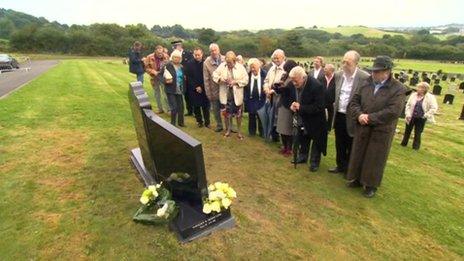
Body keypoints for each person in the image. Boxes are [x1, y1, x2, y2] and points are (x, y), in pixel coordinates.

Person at [347, 55, 407, 198]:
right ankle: (357, 178)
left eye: (377, 71)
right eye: (373, 71)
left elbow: (393, 111)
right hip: (362, 126)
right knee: (359, 153)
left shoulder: (398, 88)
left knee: (375, 157)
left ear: (387, 72)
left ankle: (371, 185)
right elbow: (354, 102)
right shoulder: (366, 83)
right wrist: (359, 115)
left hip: (381, 130)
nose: (373, 74)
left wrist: (369, 118)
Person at [329, 50, 370, 175]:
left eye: (348, 62)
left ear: (356, 63)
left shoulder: (364, 77)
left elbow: (366, 98)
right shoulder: (338, 75)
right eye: (343, 61)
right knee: (339, 142)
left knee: (351, 144)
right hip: (339, 115)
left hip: (353, 116)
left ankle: (350, 169)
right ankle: (340, 165)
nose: (344, 64)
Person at [280, 66, 327, 172]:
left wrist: (301, 107)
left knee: (315, 140)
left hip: (316, 119)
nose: (294, 83)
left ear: (303, 77)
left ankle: (314, 162)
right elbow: (285, 96)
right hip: (302, 117)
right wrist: (290, 105)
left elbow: (319, 106)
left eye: (296, 81)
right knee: (303, 137)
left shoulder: (316, 86)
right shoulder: (293, 83)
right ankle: (302, 156)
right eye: (292, 81)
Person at [212, 51, 249, 139]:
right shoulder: (222, 66)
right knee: (226, 114)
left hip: (237, 94)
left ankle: (239, 131)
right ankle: (228, 130)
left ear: (235, 61)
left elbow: (246, 80)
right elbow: (214, 75)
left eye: (230, 63)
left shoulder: (240, 67)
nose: (228, 64)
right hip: (225, 93)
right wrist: (221, 79)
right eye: (227, 62)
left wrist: (235, 82)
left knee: (238, 114)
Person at [401, 82, 438, 150]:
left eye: (419, 87)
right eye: (418, 87)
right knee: (407, 131)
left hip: (421, 118)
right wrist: (408, 114)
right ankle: (403, 144)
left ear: (424, 89)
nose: (417, 89)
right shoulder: (413, 95)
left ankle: (415, 147)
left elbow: (434, 108)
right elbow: (408, 105)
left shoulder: (430, 97)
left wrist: (426, 115)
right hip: (411, 116)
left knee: (418, 132)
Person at [275, 60, 298, 156]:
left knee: (288, 129)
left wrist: (282, 88)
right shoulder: (284, 76)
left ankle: (289, 148)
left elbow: (291, 93)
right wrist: (277, 86)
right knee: (281, 128)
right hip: (281, 104)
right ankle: (284, 147)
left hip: (288, 106)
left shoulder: (293, 79)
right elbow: (281, 90)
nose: (286, 71)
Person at [263, 49, 287, 142]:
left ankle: (281, 139)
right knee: (271, 116)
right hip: (270, 98)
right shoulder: (272, 68)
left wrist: (273, 91)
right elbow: (266, 80)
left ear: (283, 57)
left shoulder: (285, 69)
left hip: (279, 98)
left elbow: (284, 84)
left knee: (278, 118)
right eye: (274, 58)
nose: (276, 60)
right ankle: (273, 136)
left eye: (277, 58)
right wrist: (266, 89)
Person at [184, 47, 210, 128]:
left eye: (199, 55)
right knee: (196, 106)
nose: (197, 56)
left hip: (204, 87)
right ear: (193, 55)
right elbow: (188, 77)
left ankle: (207, 122)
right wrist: (196, 86)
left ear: (202, 54)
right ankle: (199, 121)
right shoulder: (189, 63)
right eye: (195, 55)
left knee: (205, 107)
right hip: (194, 89)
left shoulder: (206, 63)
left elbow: (207, 76)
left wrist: (202, 86)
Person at [204, 43, 225, 132]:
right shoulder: (206, 62)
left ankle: (230, 126)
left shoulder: (225, 59)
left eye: (215, 50)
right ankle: (219, 125)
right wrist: (208, 93)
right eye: (212, 51)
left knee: (227, 108)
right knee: (216, 109)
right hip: (214, 90)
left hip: (225, 88)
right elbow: (206, 79)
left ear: (219, 50)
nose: (214, 52)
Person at [162, 50, 185, 127]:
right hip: (171, 90)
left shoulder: (181, 67)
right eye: (175, 57)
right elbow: (160, 76)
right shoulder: (167, 65)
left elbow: (183, 77)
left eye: (178, 57)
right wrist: (165, 81)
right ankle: (173, 123)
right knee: (174, 107)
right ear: (172, 57)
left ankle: (181, 123)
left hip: (179, 89)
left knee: (181, 107)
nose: (176, 59)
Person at [244, 58, 267, 137]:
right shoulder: (248, 75)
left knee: (261, 116)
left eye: (254, 67)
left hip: (262, 99)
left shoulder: (265, 74)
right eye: (251, 67)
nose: (252, 69)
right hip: (251, 100)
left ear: (259, 66)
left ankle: (262, 132)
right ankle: (252, 132)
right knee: (252, 116)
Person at [171, 40, 194, 116]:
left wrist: (186, 74)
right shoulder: (173, 55)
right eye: (173, 47)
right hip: (180, 79)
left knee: (190, 94)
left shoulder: (188, 54)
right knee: (185, 95)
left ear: (180, 46)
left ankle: (193, 110)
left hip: (188, 77)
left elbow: (190, 65)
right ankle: (189, 110)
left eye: (175, 46)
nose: (174, 48)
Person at [144, 45, 169, 113]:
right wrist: (153, 71)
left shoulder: (166, 56)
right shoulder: (149, 57)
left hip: (163, 77)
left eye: (161, 53)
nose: (160, 54)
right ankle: (160, 109)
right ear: (155, 51)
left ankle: (168, 109)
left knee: (165, 93)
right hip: (154, 77)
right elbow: (146, 68)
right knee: (157, 94)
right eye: (158, 53)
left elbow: (169, 66)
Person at [321, 64, 336, 132]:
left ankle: (328, 128)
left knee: (330, 115)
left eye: (326, 69)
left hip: (331, 102)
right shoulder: (321, 78)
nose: (324, 69)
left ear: (331, 71)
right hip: (322, 101)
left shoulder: (336, 79)